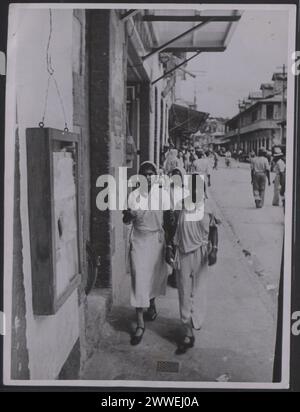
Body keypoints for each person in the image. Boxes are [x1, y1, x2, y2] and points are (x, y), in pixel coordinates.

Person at [165, 175, 219, 354]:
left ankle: (195, 320)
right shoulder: (181, 205)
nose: (194, 191)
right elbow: (172, 228)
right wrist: (169, 247)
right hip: (183, 252)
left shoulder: (208, 207)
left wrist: (214, 250)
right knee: (184, 291)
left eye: (198, 187)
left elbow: (213, 229)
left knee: (199, 290)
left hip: (201, 252)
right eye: (191, 187)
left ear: (203, 189)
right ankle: (187, 330)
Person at [123, 161, 168, 345]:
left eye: (151, 174)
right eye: (145, 174)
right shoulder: (133, 196)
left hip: (156, 241)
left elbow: (170, 218)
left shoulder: (162, 195)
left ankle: (152, 302)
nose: (148, 177)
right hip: (139, 241)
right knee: (139, 279)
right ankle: (140, 323)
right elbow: (125, 220)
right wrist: (130, 215)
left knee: (153, 278)